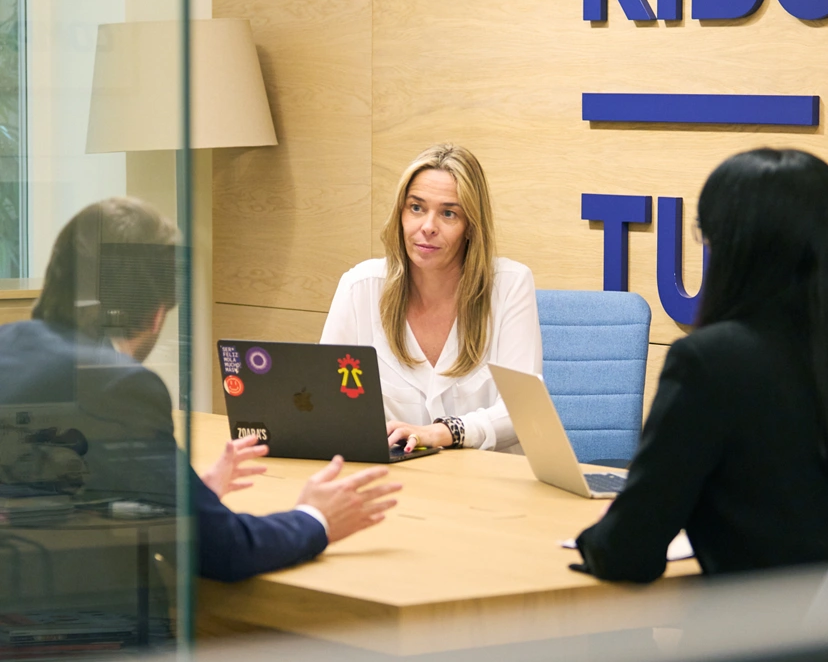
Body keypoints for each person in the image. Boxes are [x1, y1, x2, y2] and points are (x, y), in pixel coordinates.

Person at [0, 198, 402, 583]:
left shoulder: (8, 345)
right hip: (82, 621)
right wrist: (316, 517)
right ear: (158, 314)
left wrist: (188, 495)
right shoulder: (117, 385)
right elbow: (225, 551)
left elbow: (59, 494)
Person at [574, 148, 828, 583]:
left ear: (728, 246)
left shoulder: (708, 362)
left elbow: (628, 554)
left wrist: (599, 537)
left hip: (759, 624)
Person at [320, 142, 540, 453]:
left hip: (485, 476)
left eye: (449, 213)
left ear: (471, 227)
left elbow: (522, 411)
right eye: (416, 208)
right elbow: (327, 401)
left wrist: (443, 432)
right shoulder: (360, 287)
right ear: (400, 213)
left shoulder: (510, 285)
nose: (427, 227)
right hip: (392, 475)